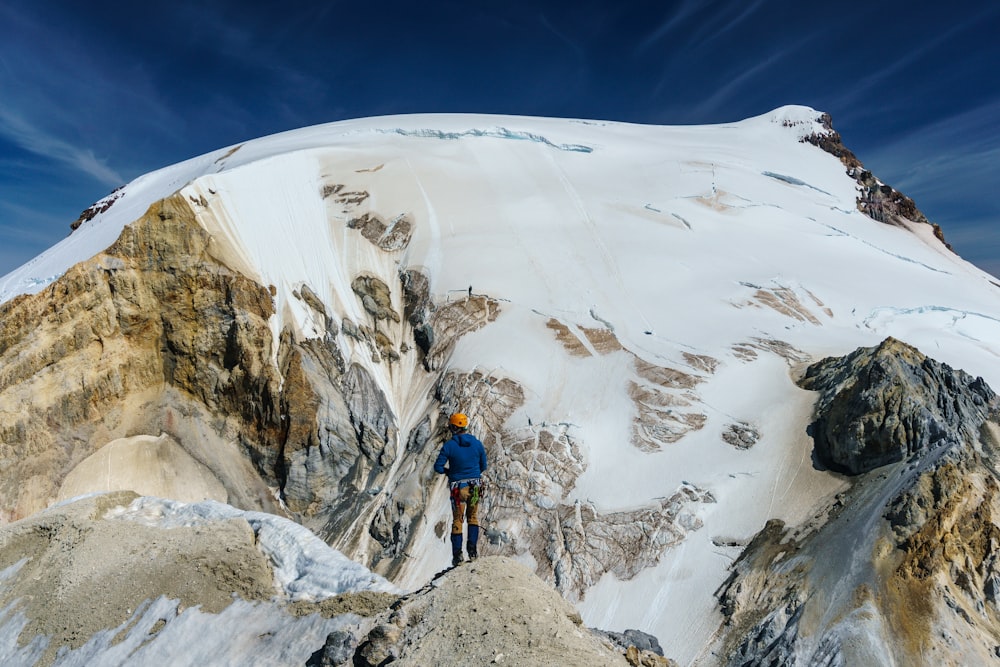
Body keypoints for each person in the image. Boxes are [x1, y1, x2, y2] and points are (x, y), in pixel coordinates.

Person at [434, 412, 487, 566]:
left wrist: (450, 473)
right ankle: (473, 551)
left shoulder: (449, 446)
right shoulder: (477, 444)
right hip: (475, 487)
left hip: (458, 489)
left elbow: (438, 467)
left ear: (454, 427)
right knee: (473, 517)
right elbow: (484, 465)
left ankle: (458, 557)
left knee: (458, 520)